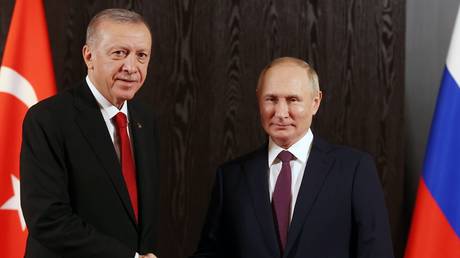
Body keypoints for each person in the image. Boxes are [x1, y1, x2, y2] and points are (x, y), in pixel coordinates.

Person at [190, 57, 394, 258]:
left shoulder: (354, 170)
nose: (280, 113)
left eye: (292, 100)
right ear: (258, 100)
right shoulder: (230, 177)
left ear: (316, 102)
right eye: (271, 99)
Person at [20, 9, 159, 258]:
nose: (131, 67)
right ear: (89, 56)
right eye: (119, 53)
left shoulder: (145, 120)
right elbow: (47, 218)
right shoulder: (48, 119)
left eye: (141, 55)